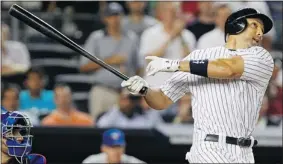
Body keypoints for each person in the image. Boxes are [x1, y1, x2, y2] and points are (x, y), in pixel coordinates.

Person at [121, 8, 274, 163]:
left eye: (262, 30)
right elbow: (162, 100)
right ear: (237, 25)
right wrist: (144, 90)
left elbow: (228, 69)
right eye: (255, 25)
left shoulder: (261, 57)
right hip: (208, 149)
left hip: (245, 153)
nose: (260, 33)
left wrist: (172, 64)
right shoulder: (198, 57)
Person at [79, 2, 139, 120]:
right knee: (98, 129)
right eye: (111, 16)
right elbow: (83, 66)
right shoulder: (96, 37)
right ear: (105, 18)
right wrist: (110, 60)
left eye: (118, 15)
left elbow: (139, 66)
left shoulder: (132, 37)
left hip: (125, 94)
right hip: (102, 90)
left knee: (126, 130)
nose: (115, 19)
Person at [139, 2, 196, 87]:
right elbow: (149, 60)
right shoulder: (150, 33)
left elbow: (191, 62)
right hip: (155, 85)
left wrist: (180, 36)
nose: (172, 14)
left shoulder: (188, 35)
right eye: (168, 11)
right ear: (161, 14)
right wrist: (172, 37)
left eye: (175, 11)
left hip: (180, 87)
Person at [82, 129, 146, 163]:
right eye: (112, 147)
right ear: (103, 148)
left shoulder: (131, 161)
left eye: (118, 147)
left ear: (124, 148)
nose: (116, 151)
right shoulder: (92, 161)